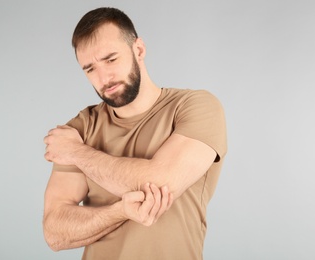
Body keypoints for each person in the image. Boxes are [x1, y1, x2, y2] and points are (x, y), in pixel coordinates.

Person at [43, 7, 227, 260]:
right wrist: (119, 211)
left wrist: (77, 152)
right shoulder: (81, 127)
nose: (104, 77)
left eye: (110, 59)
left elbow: (160, 183)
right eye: (90, 69)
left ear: (138, 50)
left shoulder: (195, 106)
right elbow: (55, 232)